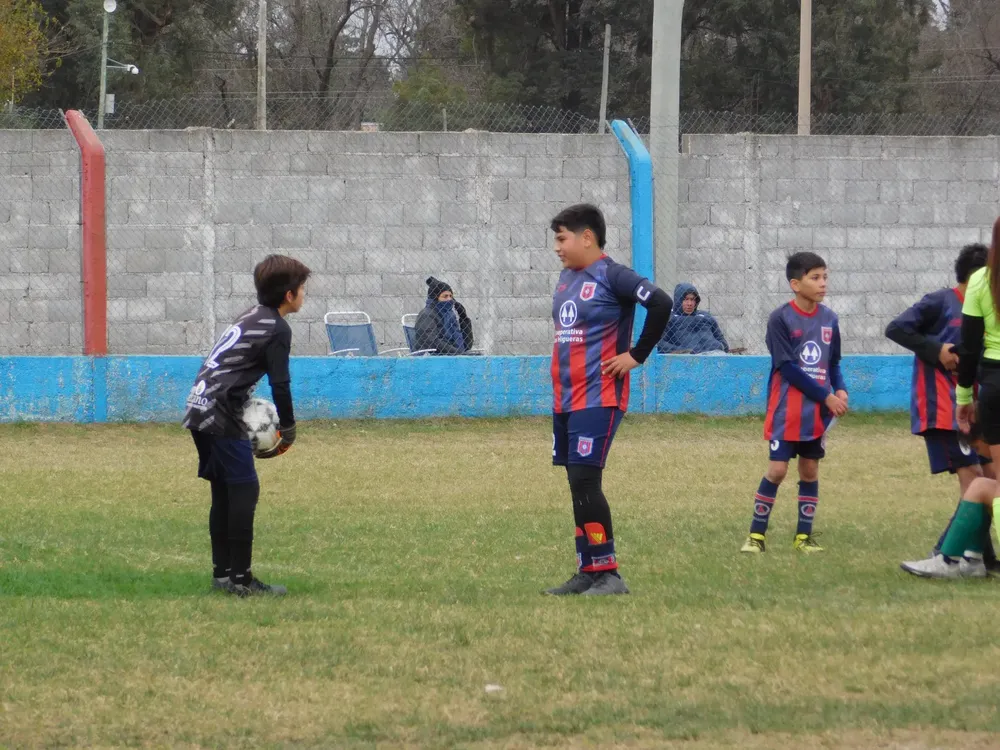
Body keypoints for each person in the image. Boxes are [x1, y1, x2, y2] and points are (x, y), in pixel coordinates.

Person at [544, 203, 672, 596]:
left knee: (587, 480)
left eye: (562, 238)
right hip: (565, 399)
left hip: (598, 397)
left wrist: (636, 355)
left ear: (587, 237)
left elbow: (661, 302)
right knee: (575, 483)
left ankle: (609, 573)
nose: (557, 248)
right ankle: (588, 569)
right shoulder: (567, 278)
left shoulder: (613, 275)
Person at [182, 254, 310, 597]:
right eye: (302, 289)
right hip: (222, 412)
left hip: (199, 405)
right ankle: (242, 581)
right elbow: (280, 384)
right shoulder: (277, 328)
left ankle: (223, 575)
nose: (303, 294)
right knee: (244, 490)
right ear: (289, 295)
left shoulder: (252, 316)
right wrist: (289, 428)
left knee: (224, 492)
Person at [885, 244, 998, 568]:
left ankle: (980, 557)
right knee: (974, 477)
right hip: (942, 409)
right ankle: (945, 554)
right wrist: (936, 350)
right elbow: (896, 328)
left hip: (977, 410)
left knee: (990, 477)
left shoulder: (987, 309)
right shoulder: (940, 302)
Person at [741, 252, 848, 554]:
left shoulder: (830, 319)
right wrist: (825, 395)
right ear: (795, 284)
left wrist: (840, 389)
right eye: (815, 278)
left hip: (816, 413)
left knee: (810, 470)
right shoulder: (779, 319)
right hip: (786, 411)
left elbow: (834, 362)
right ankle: (756, 536)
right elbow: (787, 368)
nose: (823, 283)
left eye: (825, 276)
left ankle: (803, 537)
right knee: (777, 470)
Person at [656, 283, 729, 354]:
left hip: (715, 355)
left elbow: (723, 343)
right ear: (678, 300)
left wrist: (719, 347)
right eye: (686, 299)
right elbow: (660, 344)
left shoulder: (706, 316)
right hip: (690, 360)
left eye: (692, 299)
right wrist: (683, 351)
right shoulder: (669, 318)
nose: (690, 303)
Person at [415, 277, 475, 355]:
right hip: (435, 357)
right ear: (435, 298)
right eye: (445, 296)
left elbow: (467, 346)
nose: (449, 299)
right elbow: (432, 342)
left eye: (450, 296)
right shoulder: (427, 315)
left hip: (452, 355)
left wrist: (463, 318)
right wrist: (459, 353)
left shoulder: (450, 315)